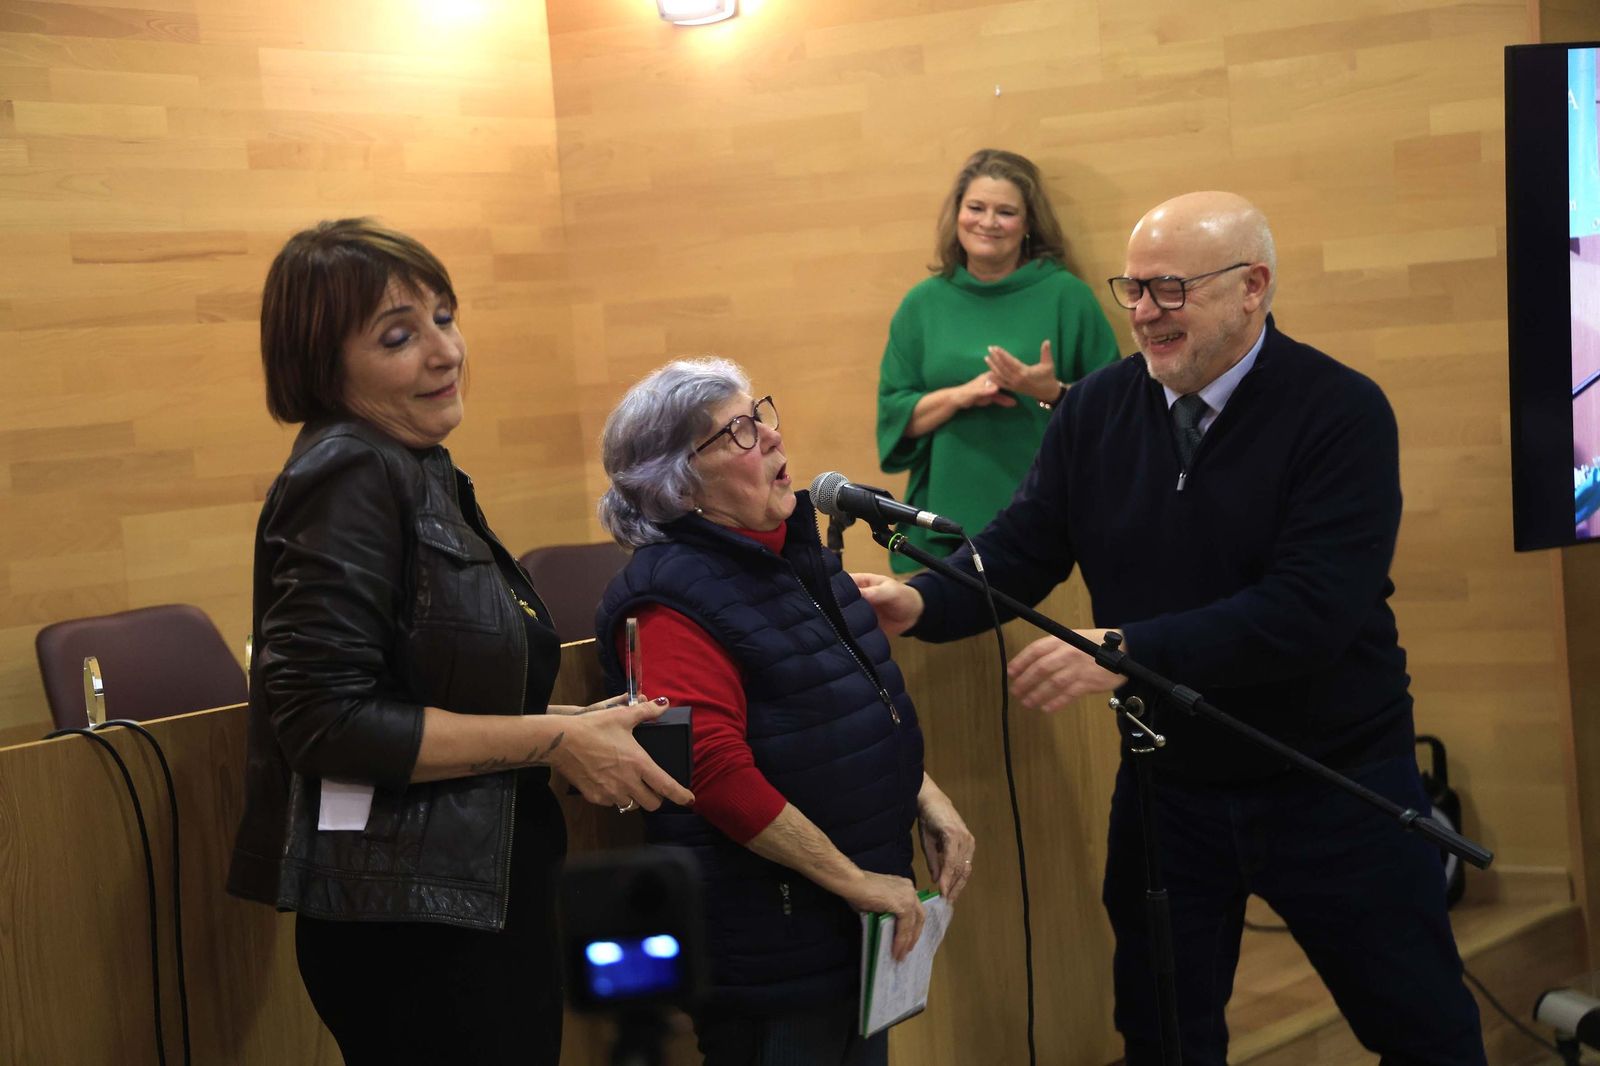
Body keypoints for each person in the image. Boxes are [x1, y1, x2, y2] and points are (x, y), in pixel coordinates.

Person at [853, 192, 1487, 1064]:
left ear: (1252, 287)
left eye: (1169, 290)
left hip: (1333, 779)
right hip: (1169, 789)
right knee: (1163, 1034)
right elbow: (1022, 549)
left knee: (1422, 1031)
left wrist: (1130, 652)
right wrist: (923, 602)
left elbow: (1311, 609)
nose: (1144, 313)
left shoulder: (1340, 411)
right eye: (1134, 289)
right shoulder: (1095, 410)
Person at [226, 218, 693, 1066]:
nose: (445, 351)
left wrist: (579, 728)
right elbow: (323, 722)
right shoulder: (349, 471)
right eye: (400, 336)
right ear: (324, 367)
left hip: (468, 900)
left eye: (445, 317)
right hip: (411, 933)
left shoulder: (415, 467)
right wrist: (554, 737)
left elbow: (432, 688)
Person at [593, 358, 976, 1066]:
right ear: (679, 485)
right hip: (773, 945)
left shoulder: (801, 558)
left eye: (758, 414)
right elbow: (710, 771)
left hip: (851, 926)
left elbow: (854, 707)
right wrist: (856, 882)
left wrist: (930, 799)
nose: (769, 436)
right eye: (736, 432)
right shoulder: (669, 600)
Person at [875, 147, 1121, 572]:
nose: (988, 222)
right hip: (944, 528)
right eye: (976, 207)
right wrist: (960, 396)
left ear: (1028, 224)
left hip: (1052, 522)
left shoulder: (1068, 297)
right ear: (957, 215)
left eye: (1005, 212)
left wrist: (1053, 392)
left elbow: (1122, 411)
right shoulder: (922, 304)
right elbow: (896, 419)